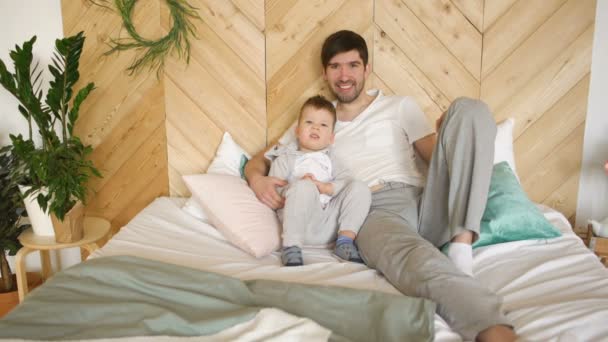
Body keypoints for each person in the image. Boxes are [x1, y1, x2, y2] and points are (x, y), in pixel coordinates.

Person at [245, 30, 517, 341]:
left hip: (426, 201)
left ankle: (462, 243)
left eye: (353, 65)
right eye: (335, 66)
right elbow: (259, 160)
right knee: (416, 262)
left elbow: (437, 159)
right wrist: (257, 179)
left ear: (366, 68)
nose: (344, 75)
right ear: (325, 73)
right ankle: (488, 325)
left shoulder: (400, 107)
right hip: (373, 210)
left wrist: (452, 137)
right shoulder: (318, 121)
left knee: (471, 109)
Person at [266, 95, 371, 266]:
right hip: (299, 225)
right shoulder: (285, 158)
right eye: (309, 122)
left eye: (323, 125)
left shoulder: (333, 159)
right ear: (297, 131)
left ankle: (345, 242)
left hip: (330, 225)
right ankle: (291, 247)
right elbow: (274, 190)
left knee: (360, 187)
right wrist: (300, 185)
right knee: (303, 187)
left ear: (331, 138)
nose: (315, 127)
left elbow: (347, 181)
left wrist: (327, 187)